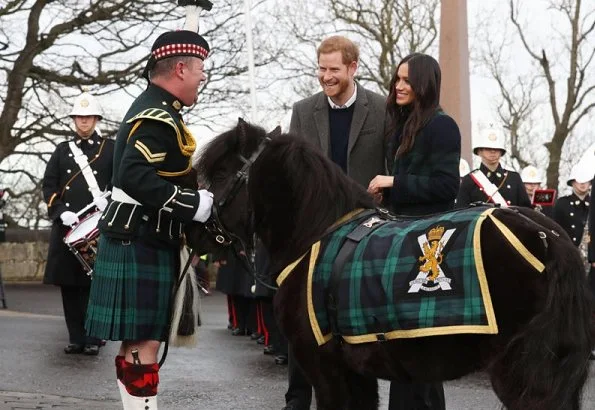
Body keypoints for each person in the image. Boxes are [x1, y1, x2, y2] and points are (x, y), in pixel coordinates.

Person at [84, 9, 214, 409]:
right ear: (179, 69)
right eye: (199, 71)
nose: (202, 78)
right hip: (140, 237)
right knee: (145, 343)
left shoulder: (159, 109)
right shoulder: (155, 116)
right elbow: (133, 175)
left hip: (137, 235)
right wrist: (192, 205)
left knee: (137, 344)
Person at [285, 35, 388, 410]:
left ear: (353, 68)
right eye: (321, 68)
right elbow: (293, 172)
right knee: (303, 318)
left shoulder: (381, 109)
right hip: (315, 232)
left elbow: (390, 167)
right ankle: (297, 400)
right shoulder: (302, 110)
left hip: (366, 233)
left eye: (333, 70)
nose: (326, 76)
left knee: (358, 320)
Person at [368, 53, 459, 410]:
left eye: (407, 80)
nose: (398, 86)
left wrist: (394, 182)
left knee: (415, 339)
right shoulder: (402, 123)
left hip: (428, 243)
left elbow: (446, 186)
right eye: (397, 79)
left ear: (424, 84)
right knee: (405, 338)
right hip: (401, 235)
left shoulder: (442, 125)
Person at [42, 91, 114, 356]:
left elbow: (120, 183)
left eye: (88, 117)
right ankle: (75, 337)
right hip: (68, 227)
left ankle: (94, 338)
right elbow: (48, 185)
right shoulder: (62, 151)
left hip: (98, 227)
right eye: (79, 117)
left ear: (96, 119)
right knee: (70, 285)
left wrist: (111, 204)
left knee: (96, 286)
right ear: (74, 120)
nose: (83, 122)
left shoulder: (111, 148)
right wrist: (60, 211)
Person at [456, 129, 531, 208]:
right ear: (479, 151)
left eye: (496, 149)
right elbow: (462, 213)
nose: (492, 151)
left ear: (501, 152)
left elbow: (526, 210)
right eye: (488, 148)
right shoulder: (469, 180)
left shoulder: (514, 178)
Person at [553, 163, 591, 247]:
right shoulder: (562, 204)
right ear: (572, 182)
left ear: (590, 183)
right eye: (579, 180)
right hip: (569, 253)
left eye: (585, 180)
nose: (582, 183)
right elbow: (555, 231)